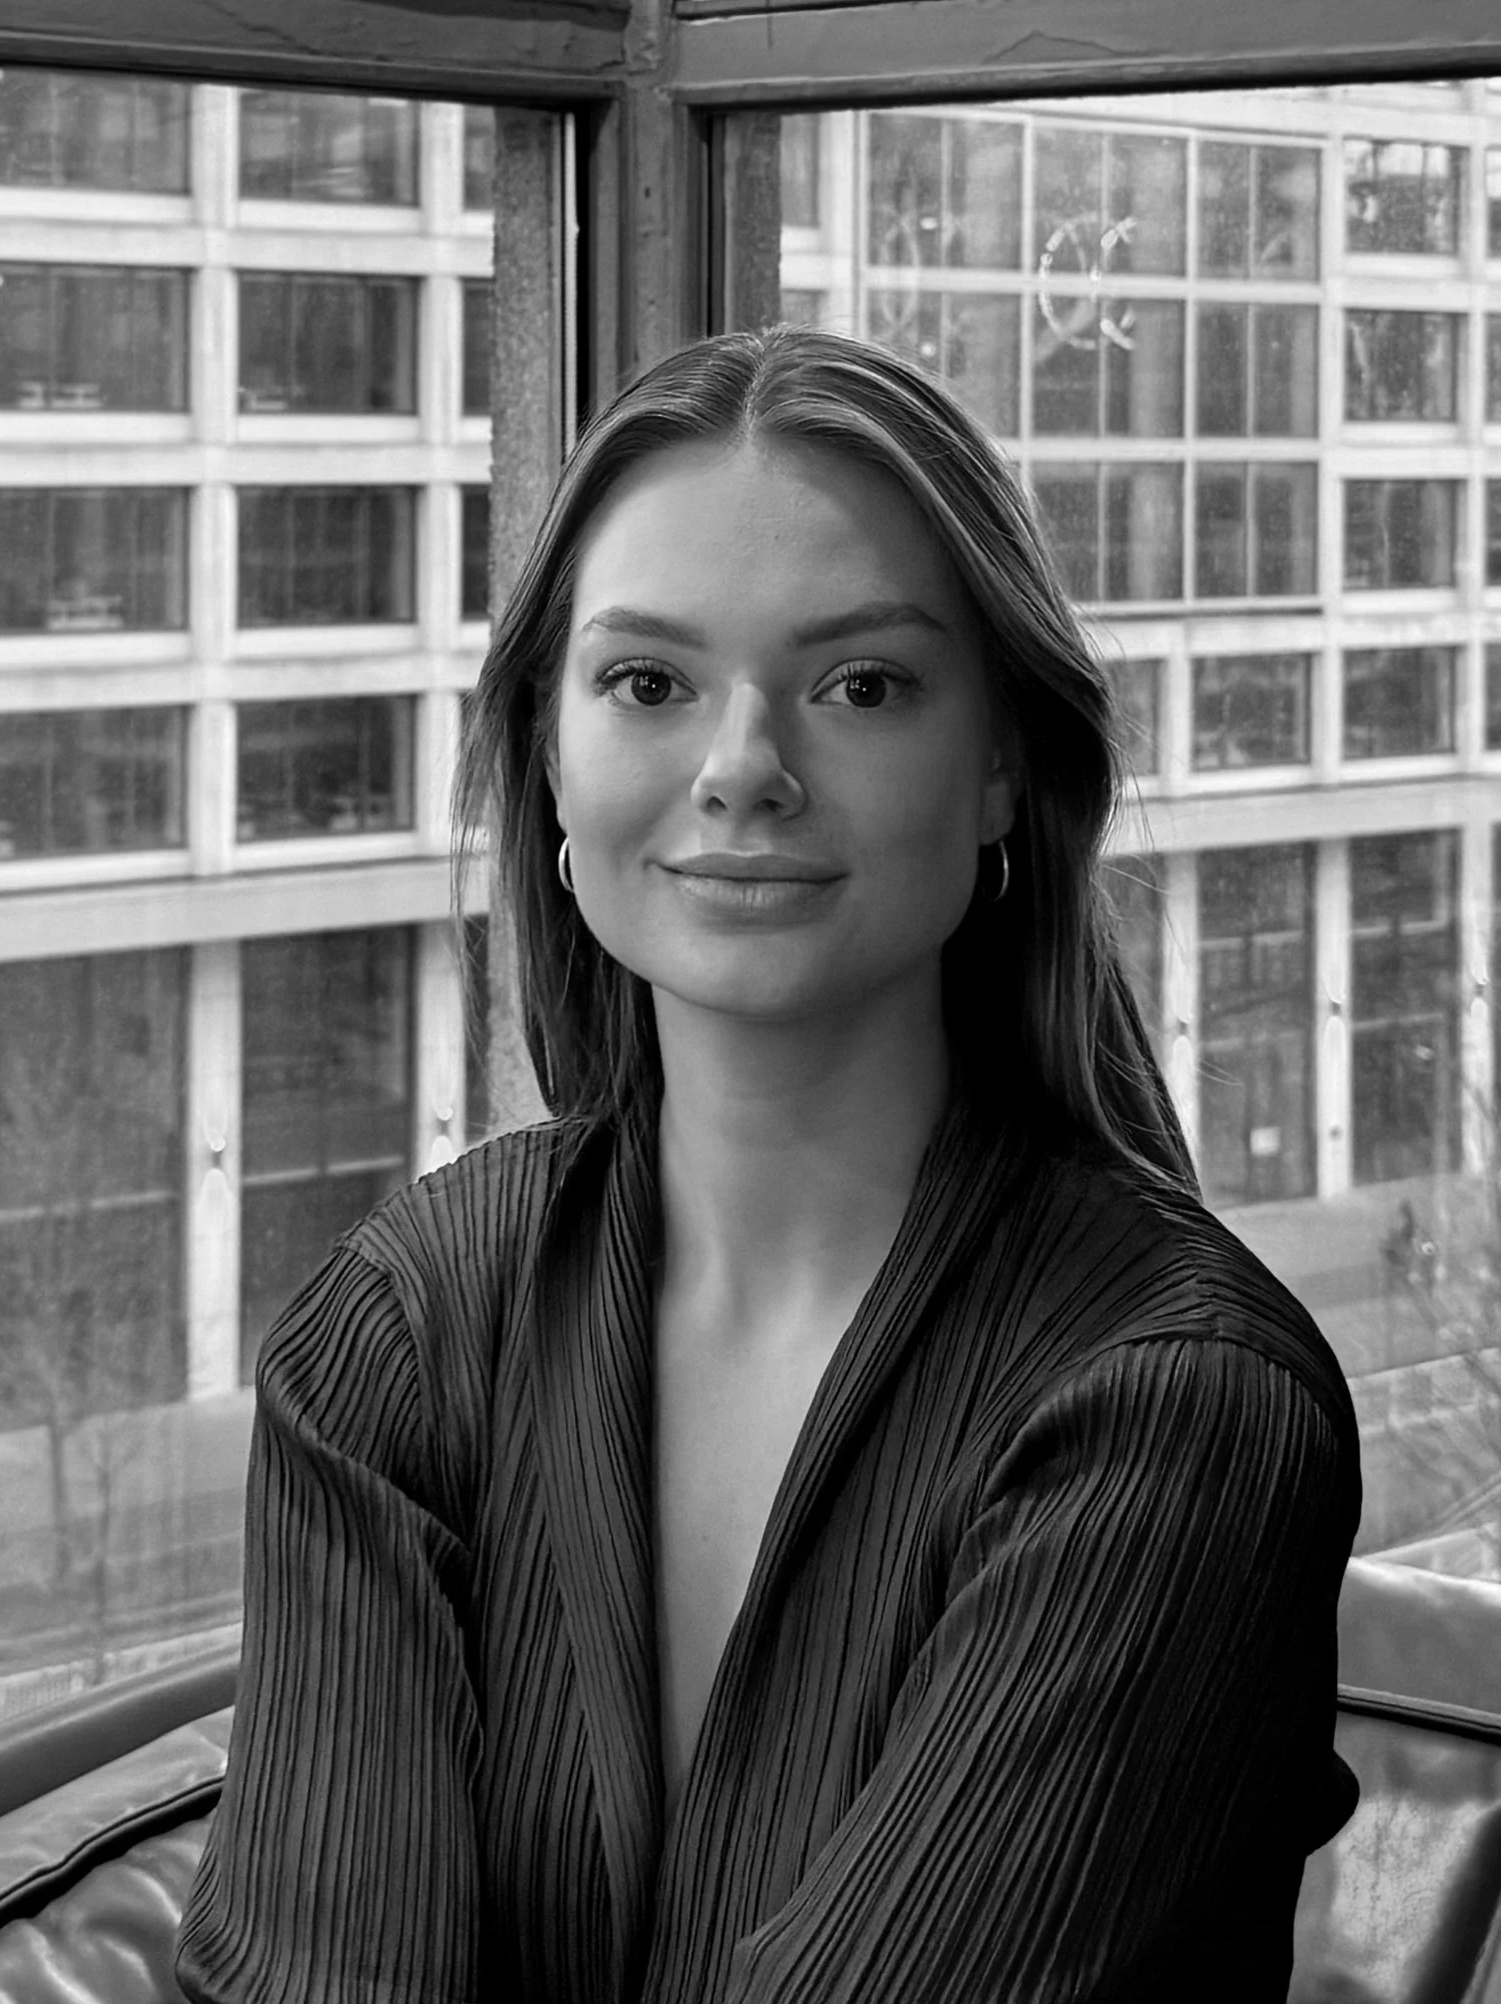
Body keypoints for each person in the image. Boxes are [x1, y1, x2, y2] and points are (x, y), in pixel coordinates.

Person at [176, 324, 1361, 2004]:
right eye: (647, 683)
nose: (742, 768)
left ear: (1004, 765)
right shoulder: (397, 1334)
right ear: (548, 754)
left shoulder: (1178, 1408)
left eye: (860, 685)